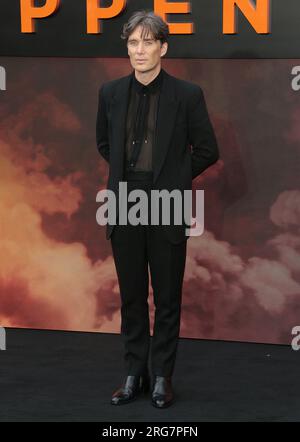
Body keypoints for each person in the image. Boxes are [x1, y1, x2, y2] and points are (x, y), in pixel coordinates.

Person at [96, 10, 219, 408]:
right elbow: (104, 144)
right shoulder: (110, 93)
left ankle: (163, 376)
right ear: (127, 49)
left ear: (163, 47)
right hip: (124, 203)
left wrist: (172, 180)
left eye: (148, 42)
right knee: (131, 295)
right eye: (133, 43)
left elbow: (207, 150)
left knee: (166, 297)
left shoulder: (187, 94)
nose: (140, 50)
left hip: (167, 204)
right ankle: (135, 373)